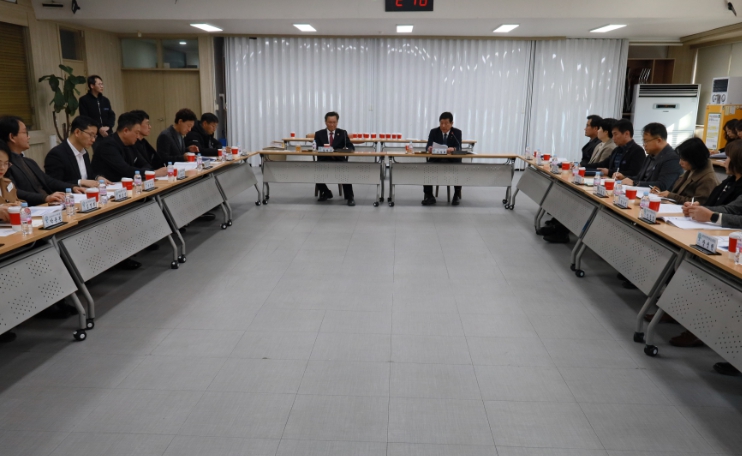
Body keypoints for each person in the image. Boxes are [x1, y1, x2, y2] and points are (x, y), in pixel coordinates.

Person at [0, 116, 84, 206]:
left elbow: (48, 181)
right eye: (25, 133)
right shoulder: (5, 166)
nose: (29, 137)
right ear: (12, 137)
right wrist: (45, 197)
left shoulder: (29, 162)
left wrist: (72, 187)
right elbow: (14, 191)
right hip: (33, 207)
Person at [92, 112, 167, 182]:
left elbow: (145, 164)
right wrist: (154, 173)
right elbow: (126, 170)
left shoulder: (130, 143)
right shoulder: (108, 145)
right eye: (136, 133)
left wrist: (148, 172)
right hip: (108, 186)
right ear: (125, 131)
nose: (138, 136)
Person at [44, 116, 110, 188]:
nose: (93, 140)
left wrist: (97, 178)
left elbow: (87, 177)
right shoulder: (56, 154)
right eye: (91, 135)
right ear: (77, 132)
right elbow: (54, 184)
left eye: (94, 136)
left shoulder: (84, 153)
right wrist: (80, 182)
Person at [615, 122, 682, 191]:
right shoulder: (650, 156)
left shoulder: (673, 159)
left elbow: (662, 185)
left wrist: (635, 183)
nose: (644, 145)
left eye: (646, 141)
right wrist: (624, 178)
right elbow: (640, 178)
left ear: (659, 140)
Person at [652, 137, 718, 205]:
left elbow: (697, 203)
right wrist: (661, 192)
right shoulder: (692, 169)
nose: (680, 162)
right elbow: (678, 193)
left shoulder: (708, 179)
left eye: (684, 159)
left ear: (695, 159)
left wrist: (670, 195)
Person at [313, 111, 355, 206]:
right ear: (325, 122)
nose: (332, 125)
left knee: (345, 171)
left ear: (337, 122)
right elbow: (316, 148)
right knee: (314, 170)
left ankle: (349, 197)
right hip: (324, 160)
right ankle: (326, 192)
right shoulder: (319, 134)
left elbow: (351, 146)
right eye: (330, 122)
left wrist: (345, 149)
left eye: (334, 122)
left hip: (339, 160)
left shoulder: (343, 133)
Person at [422, 112, 464, 206]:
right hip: (437, 159)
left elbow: (459, 147)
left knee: (459, 169)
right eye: (441, 123)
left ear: (451, 123)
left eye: (446, 123)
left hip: (452, 161)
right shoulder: (434, 131)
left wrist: (453, 149)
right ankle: (429, 196)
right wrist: (429, 148)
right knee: (426, 168)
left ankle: (456, 195)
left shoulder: (457, 132)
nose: (443, 126)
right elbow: (428, 146)